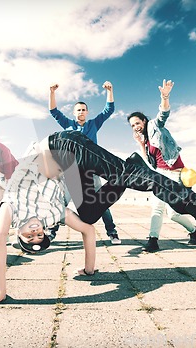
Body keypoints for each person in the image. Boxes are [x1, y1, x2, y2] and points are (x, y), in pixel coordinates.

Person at [0, 128, 196, 305]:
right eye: (40, 235)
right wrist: (89, 269)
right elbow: (87, 231)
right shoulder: (54, 215)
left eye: (29, 236)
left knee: (124, 174)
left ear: (19, 232)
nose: (35, 231)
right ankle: (135, 167)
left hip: (62, 145)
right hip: (70, 169)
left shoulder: (11, 210)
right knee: (89, 214)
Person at [127, 80, 196, 252]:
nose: (136, 127)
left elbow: (163, 114)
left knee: (173, 213)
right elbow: (150, 164)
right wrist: (140, 144)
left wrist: (165, 96)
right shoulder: (144, 141)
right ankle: (154, 239)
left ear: (144, 121)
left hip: (174, 172)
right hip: (160, 173)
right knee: (161, 209)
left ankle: (193, 231)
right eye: (132, 125)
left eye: (137, 123)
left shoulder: (154, 125)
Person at [47, 81, 121, 245]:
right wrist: (52, 93)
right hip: (71, 170)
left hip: (91, 170)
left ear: (87, 112)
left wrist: (110, 90)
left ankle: (112, 232)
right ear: (74, 113)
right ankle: (51, 232)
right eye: (78, 110)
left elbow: (109, 110)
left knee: (101, 202)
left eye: (83, 109)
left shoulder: (93, 124)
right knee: (62, 201)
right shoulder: (69, 125)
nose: (81, 112)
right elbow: (53, 111)